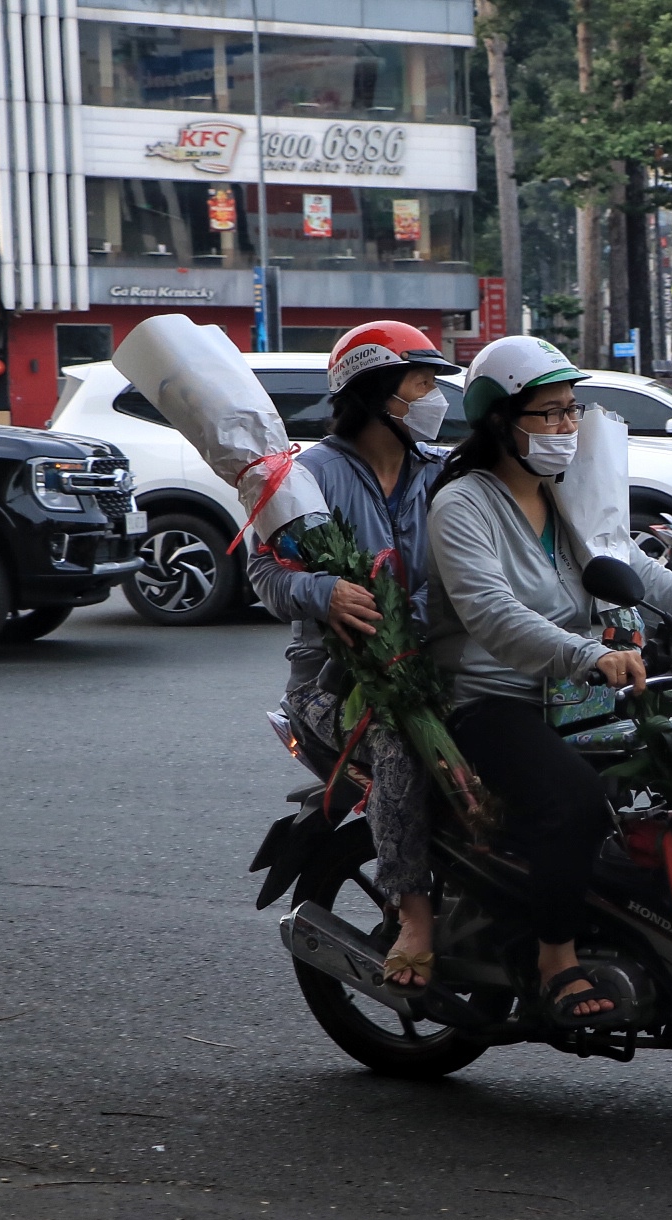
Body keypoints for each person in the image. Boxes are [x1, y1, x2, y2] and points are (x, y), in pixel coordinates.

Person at [423, 336, 672, 1028]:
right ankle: (557, 957)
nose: (565, 428)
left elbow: (634, 569)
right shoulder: (463, 505)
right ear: (501, 422)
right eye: (546, 415)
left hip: (574, 694)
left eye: (571, 412)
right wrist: (586, 656)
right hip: (495, 698)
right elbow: (491, 615)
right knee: (578, 805)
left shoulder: (567, 495)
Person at [247, 321, 460, 991]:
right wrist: (322, 590)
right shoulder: (311, 476)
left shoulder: (441, 472)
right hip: (334, 688)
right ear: (374, 392)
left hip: (430, 669)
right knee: (400, 739)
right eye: (420, 383)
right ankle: (414, 910)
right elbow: (263, 574)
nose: (434, 396)